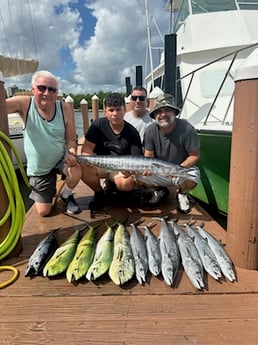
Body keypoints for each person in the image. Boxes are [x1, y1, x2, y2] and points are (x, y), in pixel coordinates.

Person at [5, 70, 82, 216]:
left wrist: (72, 153)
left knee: (76, 169)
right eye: (42, 88)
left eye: (52, 89)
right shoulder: (24, 104)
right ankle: (49, 190)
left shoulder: (64, 107)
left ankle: (66, 194)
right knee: (43, 212)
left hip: (61, 159)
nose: (47, 93)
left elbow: (71, 139)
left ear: (57, 92)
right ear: (32, 89)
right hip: (39, 168)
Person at [81, 92, 143, 211]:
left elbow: (137, 159)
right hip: (100, 164)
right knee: (83, 166)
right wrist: (87, 157)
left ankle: (115, 186)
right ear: (105, 111)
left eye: (118, 109)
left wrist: (130, 172)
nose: (115, 114)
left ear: (124, 110)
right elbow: (87, 148)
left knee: (126, 184)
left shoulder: (132, 132)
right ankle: (99, 193)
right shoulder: (97, 125)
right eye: (111, 110)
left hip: (121, 168)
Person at [143, 93, 200, 213]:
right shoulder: (150, 130)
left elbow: (194, 155)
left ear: (174, 112)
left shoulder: (187, 129)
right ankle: (159, 190)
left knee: (194, 175)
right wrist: (147, 170)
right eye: (159, 111)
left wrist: (176, 169)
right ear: (155, 115)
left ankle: (182, 194)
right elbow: (148, 157)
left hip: (179, 170)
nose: (163, 114)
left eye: (167, 110)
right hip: (159, 171)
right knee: (139, 176)